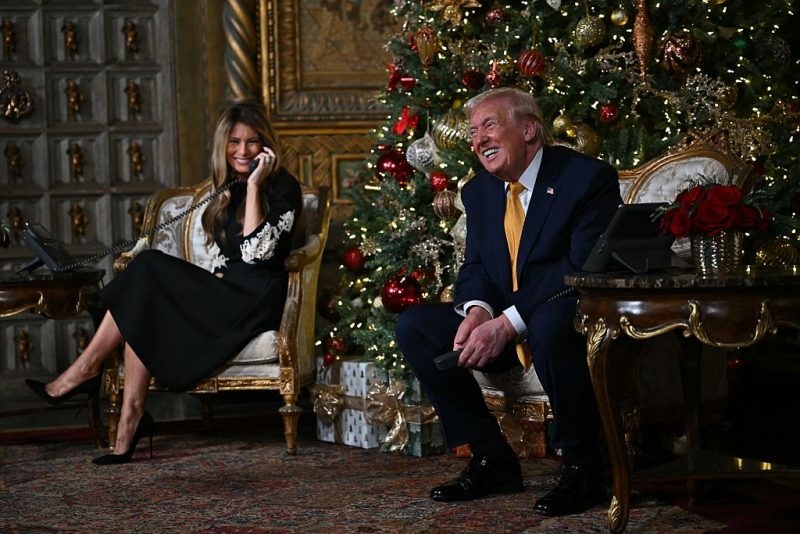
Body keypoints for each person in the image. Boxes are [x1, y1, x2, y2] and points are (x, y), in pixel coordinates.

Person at [25, 99, 303, 465]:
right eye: (234, 141)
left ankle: (85, 372)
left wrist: (254, 186)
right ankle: (129, 418)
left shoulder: (282, 187)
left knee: (149, 269)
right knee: (145, 294)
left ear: (265, 144)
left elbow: (254, 252)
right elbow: (233, 253)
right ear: (223, 145)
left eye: (252, 141)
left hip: (255, 301)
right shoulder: (229, 186)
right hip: (228, 290)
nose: (242, 150)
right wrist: (220, 267)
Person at [396, 87, 622, 516]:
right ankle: (490, 457)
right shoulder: (480, 191)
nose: (477, 139)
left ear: (530, 130)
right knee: (416, 327)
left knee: (552, 324)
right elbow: (476, 266)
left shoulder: (586, 178)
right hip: (504, 314)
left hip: (567, 306)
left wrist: (506, 324)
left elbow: (577, 267)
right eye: (473, 131)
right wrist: (477, 311)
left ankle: (582, 465)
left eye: (489, 125)